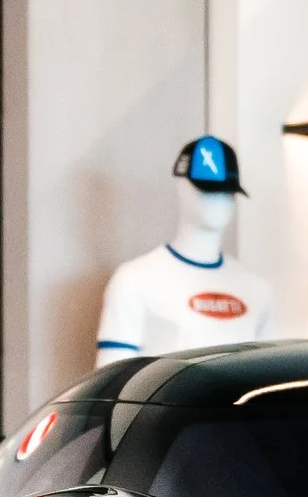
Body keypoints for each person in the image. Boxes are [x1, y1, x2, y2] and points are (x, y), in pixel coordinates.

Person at [94, 136, 276, 360]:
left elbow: (264, 376)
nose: (218, 201)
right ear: (181, 188)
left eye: (226, 192)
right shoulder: (134, 281)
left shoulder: (257, 291)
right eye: (208, 190)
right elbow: (110, 384)